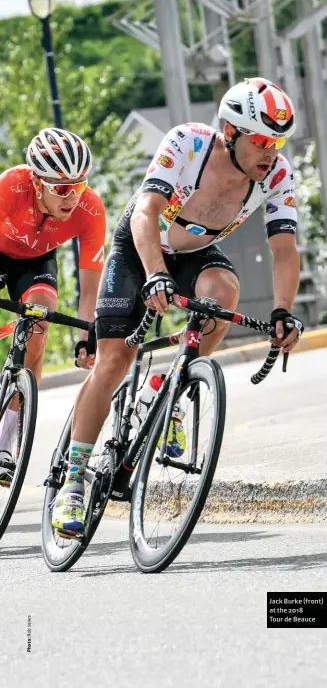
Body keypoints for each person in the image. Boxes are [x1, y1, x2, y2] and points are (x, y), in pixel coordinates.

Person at [51, 77, 304, 537]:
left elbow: (284, 249)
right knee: (112, 362)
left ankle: (169, 392)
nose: (271, 153)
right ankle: (73, 482)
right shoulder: (188, 142)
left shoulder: (280, 174)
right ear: (230, 133)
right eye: (262, 140)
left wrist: (283, 311)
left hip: (193, 253)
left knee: (223, 290)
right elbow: (147, 213)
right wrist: (154, 273)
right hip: (140, 247)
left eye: (278, 141)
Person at [0, 127, 106, 486]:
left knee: (40, 318)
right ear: (36, 181)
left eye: (77, 186)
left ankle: (7, 439)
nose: (71, 197)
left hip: (35, 261)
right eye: (61, 188)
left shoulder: (90, 208)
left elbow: (89, 288)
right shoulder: (11, 186)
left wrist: (84, 337)